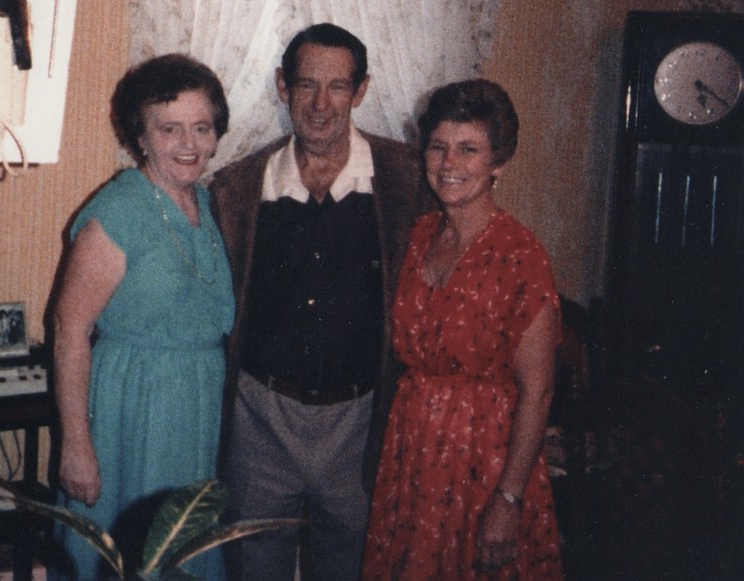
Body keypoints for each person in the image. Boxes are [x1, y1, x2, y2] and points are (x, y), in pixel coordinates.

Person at [209, 23, 431, 581]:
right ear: (282, 87)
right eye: (306, 85)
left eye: (337, 87)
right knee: (254, 566)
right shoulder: (238, 187)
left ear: (360, 92)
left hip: (360, 421)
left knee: (352, 568)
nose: (320, 104)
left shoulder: (406, 179)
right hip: (261, 419)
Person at [361, 79, 564, 580]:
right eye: (438, 147)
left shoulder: (522, 255)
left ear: (499, 161)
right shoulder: (420, 235)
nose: (449, 164)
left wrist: (509, 498)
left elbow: (537, 393)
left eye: (468, 149)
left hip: (485, 460)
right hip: (414, 452)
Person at [49, 54, 234, 580]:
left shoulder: (203, 202)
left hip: (192, 412)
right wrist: (77, 445)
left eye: (202, 128)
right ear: (141, 136)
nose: (189, 144)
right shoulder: (120, 207)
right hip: (127, 411)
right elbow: (70, 330)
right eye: (170, 129)